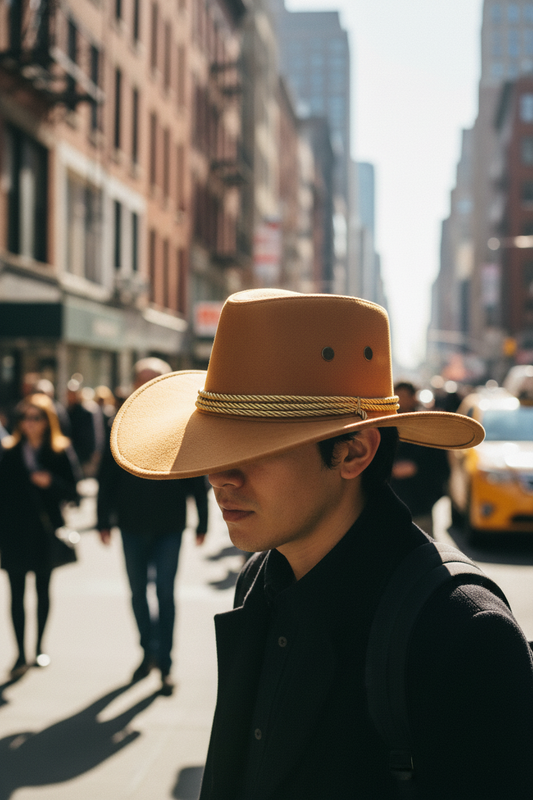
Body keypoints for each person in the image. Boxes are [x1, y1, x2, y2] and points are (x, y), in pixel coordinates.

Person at [109, 289, 533, 799]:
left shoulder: (461, 629)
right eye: (217, 442)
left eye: (257, 446)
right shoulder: (262, 575)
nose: (219, 475)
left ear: (353, 451)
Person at [97, 357, 209, 696]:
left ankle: (165, 661)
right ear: (133, 386)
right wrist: (102, 520)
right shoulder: (121, 424)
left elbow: (196, 477)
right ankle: (148, 650)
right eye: (142, 380)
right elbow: (107, 478)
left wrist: (203, 521)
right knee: (137, 593)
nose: (146, 387)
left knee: (164, 592)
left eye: (154, 380)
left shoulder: (180, 424)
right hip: (130, 526)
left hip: (169, 526)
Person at [0, 394, 80, 679]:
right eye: (25, 417)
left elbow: (75, 491)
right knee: (16, 595)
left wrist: (51, 482)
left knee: (43, 592)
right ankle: (20, 653)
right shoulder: (9, 451)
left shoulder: (59, 451)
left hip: (45, 533)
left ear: (47, 422)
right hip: (13, 533)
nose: (30, 423)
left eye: (36, 417)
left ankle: (39, 648)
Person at [390, 381, 450, 535]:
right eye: (397, 396)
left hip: (420, 505)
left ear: (413, 398)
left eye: (404, 396)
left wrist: (417, 467)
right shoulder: (384, 426)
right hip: (390, 506)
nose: (400, 401)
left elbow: (440, 465)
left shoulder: (426, 425)